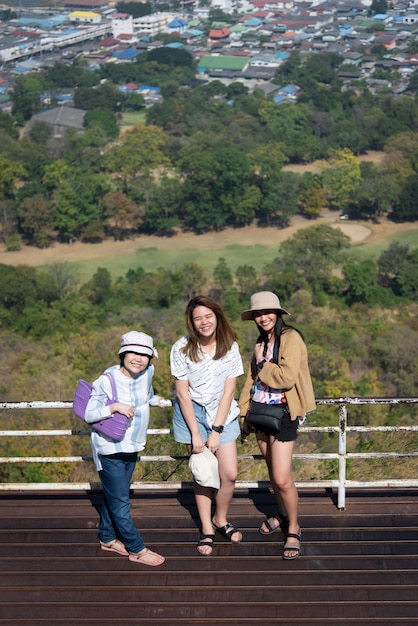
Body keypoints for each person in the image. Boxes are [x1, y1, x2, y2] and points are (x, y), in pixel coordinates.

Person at [239, 291, 315, 560]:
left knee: (282, 478)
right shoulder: (261, 341)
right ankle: (283, 515)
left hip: (283, 413)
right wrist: (242, 413)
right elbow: (251, 379)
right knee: (273, 475)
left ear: (278, 313)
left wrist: (262, 362)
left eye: (268, 312)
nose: (263, 317)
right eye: (258, 314)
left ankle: (294, 527)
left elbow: (285, 378)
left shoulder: (290, 338)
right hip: (259, 412)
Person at [85, 330, 169, 567]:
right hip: (109, 449)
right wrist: (114, 408)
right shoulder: (106, 380)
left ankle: (107, 538)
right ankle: (137, 548)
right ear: (122, 354)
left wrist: (156, 400)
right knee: (121, 501)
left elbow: (146, 395)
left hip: (132, 445)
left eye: (144, 355)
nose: (139, 359)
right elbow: (89, 414)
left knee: (115, 496)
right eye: (133, 352)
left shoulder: (147, 372)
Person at [170, 295, 244, 556]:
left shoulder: (229, 345)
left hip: (222, 415)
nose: (204, 322)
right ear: (191, 322)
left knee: (229, 474)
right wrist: (196, 434)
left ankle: (220, 518)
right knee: (203, 474)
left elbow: (229, 391)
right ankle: (207, 528)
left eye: (208, 316)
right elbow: (182, 393)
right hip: (193, 415)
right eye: (198, 318)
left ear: (217, 316)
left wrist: (216, 430)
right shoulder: (181, 348)